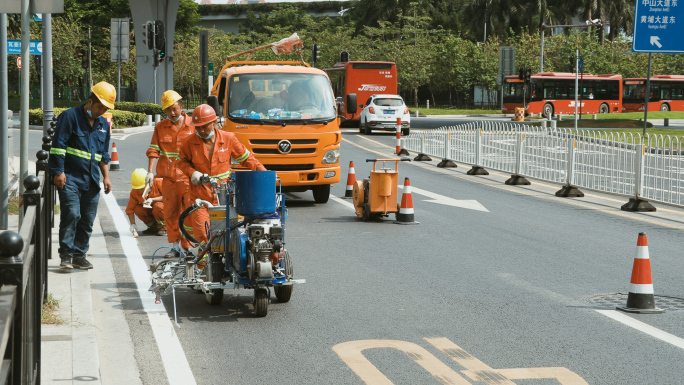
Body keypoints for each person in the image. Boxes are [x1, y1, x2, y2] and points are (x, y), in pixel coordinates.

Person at [49, 81, 115, 270]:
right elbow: (58, 146)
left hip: (92, 180)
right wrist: (58, 172)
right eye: (99, 107)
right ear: (89, 101)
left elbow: (103, 155)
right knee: (71, 214)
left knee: (87, 219)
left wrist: (107, 177)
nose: (101, 111)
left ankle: (80, 255)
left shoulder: (103, 125)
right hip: (69, 177)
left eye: (105, 108)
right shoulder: (69, 117)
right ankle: (66, 255)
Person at [177, 104, 266, 242]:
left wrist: (265, 176)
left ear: (214, 122)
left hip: (224, 197)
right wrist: (193, 173)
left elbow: (248, 159)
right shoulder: (189, 143)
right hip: (200, 198)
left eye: (204, 126)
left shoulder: (228, 138)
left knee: (228, 238)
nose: (201, 130)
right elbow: (180, 162)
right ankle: (205, 263)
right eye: (198, 127)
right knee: (203, 237)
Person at [146, 90, 196, 258]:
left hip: (189, 179)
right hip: (168, 180)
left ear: (181, 107)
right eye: (168, 110)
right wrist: (150, 172)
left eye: (174, 108)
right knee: (171, 214)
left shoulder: (194, 126)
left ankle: (186, 247)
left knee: (188, 214)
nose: (172, 113)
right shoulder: (160, 127)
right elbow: (154, 150)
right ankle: (175, 247)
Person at [126, 168, 165, 237]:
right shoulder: (135, 192)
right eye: (137, 189)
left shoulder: (158, 182)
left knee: (158, 206)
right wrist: (133, 224)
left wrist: (152, 199)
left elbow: (168, 197)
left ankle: (165, 227)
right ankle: (154, 227)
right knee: (138, 209)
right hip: (153, 211)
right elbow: (130, 209)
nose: (140, 191)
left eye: (141, 188)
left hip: (166, 211)